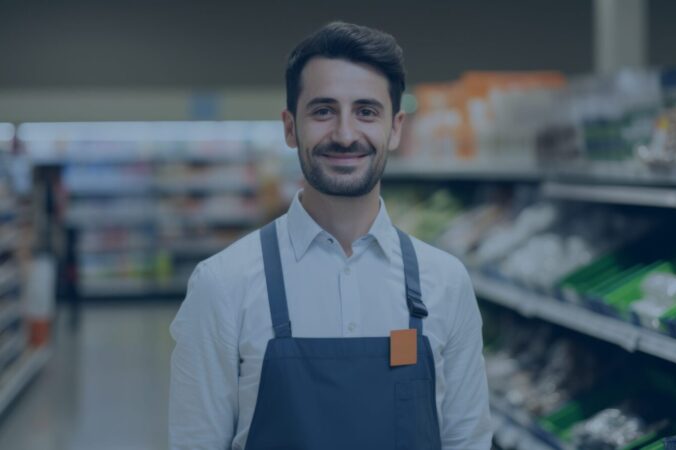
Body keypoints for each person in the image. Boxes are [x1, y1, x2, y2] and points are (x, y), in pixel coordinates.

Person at [169, 21, 492, 450]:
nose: (344, 134)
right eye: (323, 111)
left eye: (366, 111)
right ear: (290, 127)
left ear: (395, 128)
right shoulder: (223, 285)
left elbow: (466, 441)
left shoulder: (446, 284)